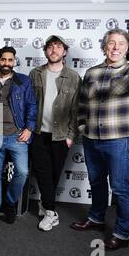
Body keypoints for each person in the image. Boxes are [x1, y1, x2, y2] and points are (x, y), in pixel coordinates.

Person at [70, 29, 129, 250]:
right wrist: (82, 126)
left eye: (121, 43)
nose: (116, 47)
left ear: (127, 48)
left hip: (118, 140)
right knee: (97, 183)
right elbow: (81, 103)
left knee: (120, 188)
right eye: (111, 43)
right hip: (91, 138)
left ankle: (122, 234)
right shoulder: (91, 73)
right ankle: (96, 219)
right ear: (104, 47)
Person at [0, 46, 37, 237]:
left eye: (10, 60)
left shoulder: (23, 81)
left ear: (14, 61)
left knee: (22, 172)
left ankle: (10, 201)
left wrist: (29, 128)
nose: (7, 63)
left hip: (17, 134)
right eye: (3, 60)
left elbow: (31, 105)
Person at [29, 35, 82, 231]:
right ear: (45, 51)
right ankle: (51, 213)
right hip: (38, 133)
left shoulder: (74, 77)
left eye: (58, 47)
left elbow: (77, 109)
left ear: (65, 52)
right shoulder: (35, 73)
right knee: (42, 173)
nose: (54, 50)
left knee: (53, 175)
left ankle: (45, 204)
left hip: (60, 135)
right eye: (50, 47)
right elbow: (29, 104)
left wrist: (71, 135)